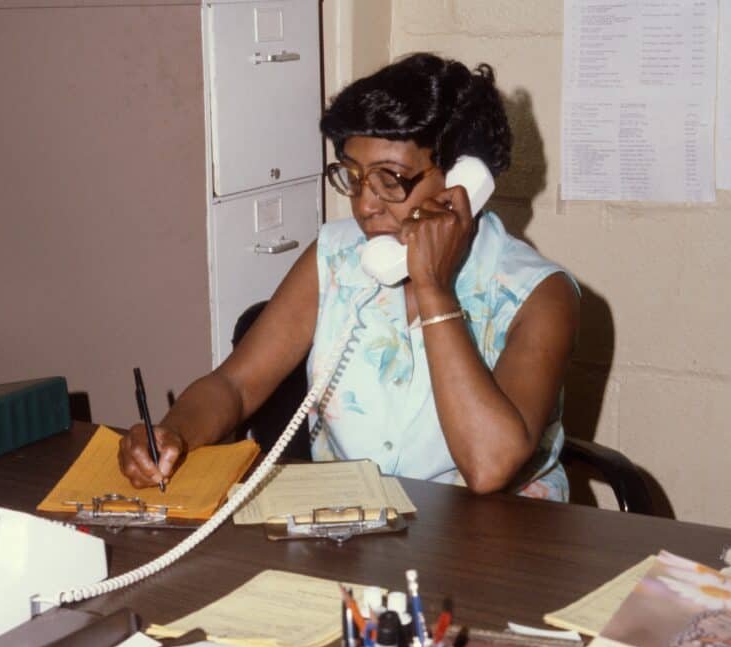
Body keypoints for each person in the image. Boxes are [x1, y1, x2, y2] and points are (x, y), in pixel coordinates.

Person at [118, 52, 579, 501]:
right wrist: (172, 434)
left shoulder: (538, 295)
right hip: (355, 537)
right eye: (354, 177)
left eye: (390, 179)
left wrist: (433, 289)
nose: (364, 205)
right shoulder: (338, 257)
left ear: (464, 181)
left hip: (501, 549)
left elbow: (488, 465)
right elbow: (235, 387)